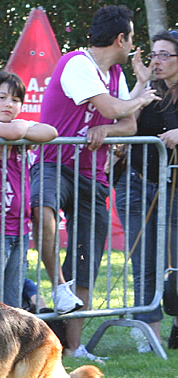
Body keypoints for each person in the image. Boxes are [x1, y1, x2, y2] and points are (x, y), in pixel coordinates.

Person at [30, 5, 160, 360]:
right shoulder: (77, 63)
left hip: (92, 173)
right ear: (121, 38)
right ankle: (57, 285)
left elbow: (127, 126)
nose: (133, 44)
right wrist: (141, 96)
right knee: (43, 209)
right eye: (132, 38)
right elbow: (114, 108)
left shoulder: (116, 72)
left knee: (86, 256)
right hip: (54, 163)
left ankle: (75, 348)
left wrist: (108, 127)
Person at [0, 71, 57, 307]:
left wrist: (22, 127)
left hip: (19, 228)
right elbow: (14, 132)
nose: (8, 104)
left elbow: (51, 133)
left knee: (12, 302)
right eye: (2, 97)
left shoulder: (20, 129)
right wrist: (24, 128)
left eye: (15, 100)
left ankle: (5, 345)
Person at [115, 30, 178, 352]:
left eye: (166, 54)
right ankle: (149, 336)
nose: (158, 60)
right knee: (144, 264)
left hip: (174, 190)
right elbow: (126, 122)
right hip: (137, 185)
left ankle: (176, 323)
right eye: (155, 54)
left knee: (176, 265)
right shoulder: (148, 89)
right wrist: (140, 83)